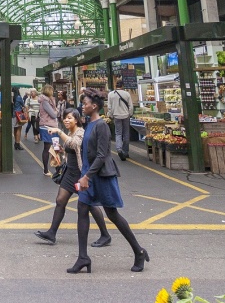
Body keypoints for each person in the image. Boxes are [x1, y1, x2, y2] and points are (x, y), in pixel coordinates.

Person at [68, 90, 149, 274]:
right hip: (89, 175)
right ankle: (83, 257)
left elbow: (102, 154)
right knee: (82, 210)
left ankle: (138, 251)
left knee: (112, 214)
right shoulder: (89, 124)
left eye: (85, 103)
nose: (82, 106)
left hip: (101, 176)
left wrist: (87, 176)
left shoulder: (102, 125)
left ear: (94, 106)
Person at [35, 107, 111, 247]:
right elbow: (71, 150)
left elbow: (75, 143)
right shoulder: (70, 132)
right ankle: (51, 233)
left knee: (90, 205)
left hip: (81, 174)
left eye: (69, 117)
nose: (66, 120)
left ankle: (105, 235)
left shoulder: (80, 132)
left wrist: (59, 131)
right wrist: (58, 152)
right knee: (60, 200)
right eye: (65, 118)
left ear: (76, 120)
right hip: (69, 172)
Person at [107, 85, 133, 161]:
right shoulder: (127, 94)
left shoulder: (111, 94)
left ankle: (119, 149)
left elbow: (109, 106)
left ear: (116, 86)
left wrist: (110, 115)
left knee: (118, 133)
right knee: (126, 134)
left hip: (116, 116)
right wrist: (130, 114)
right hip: (125, 115)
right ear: (122, 86)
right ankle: (125, 151)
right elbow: (130, 106)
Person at [38, 86, 59, 175]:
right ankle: (47, 169)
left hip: (48, 126)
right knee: (50, 147)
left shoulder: (47, 100)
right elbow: (53, 115)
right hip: (48, 126)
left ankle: (55, 168)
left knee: (54, 147)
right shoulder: (45, 102)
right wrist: (57, 111)